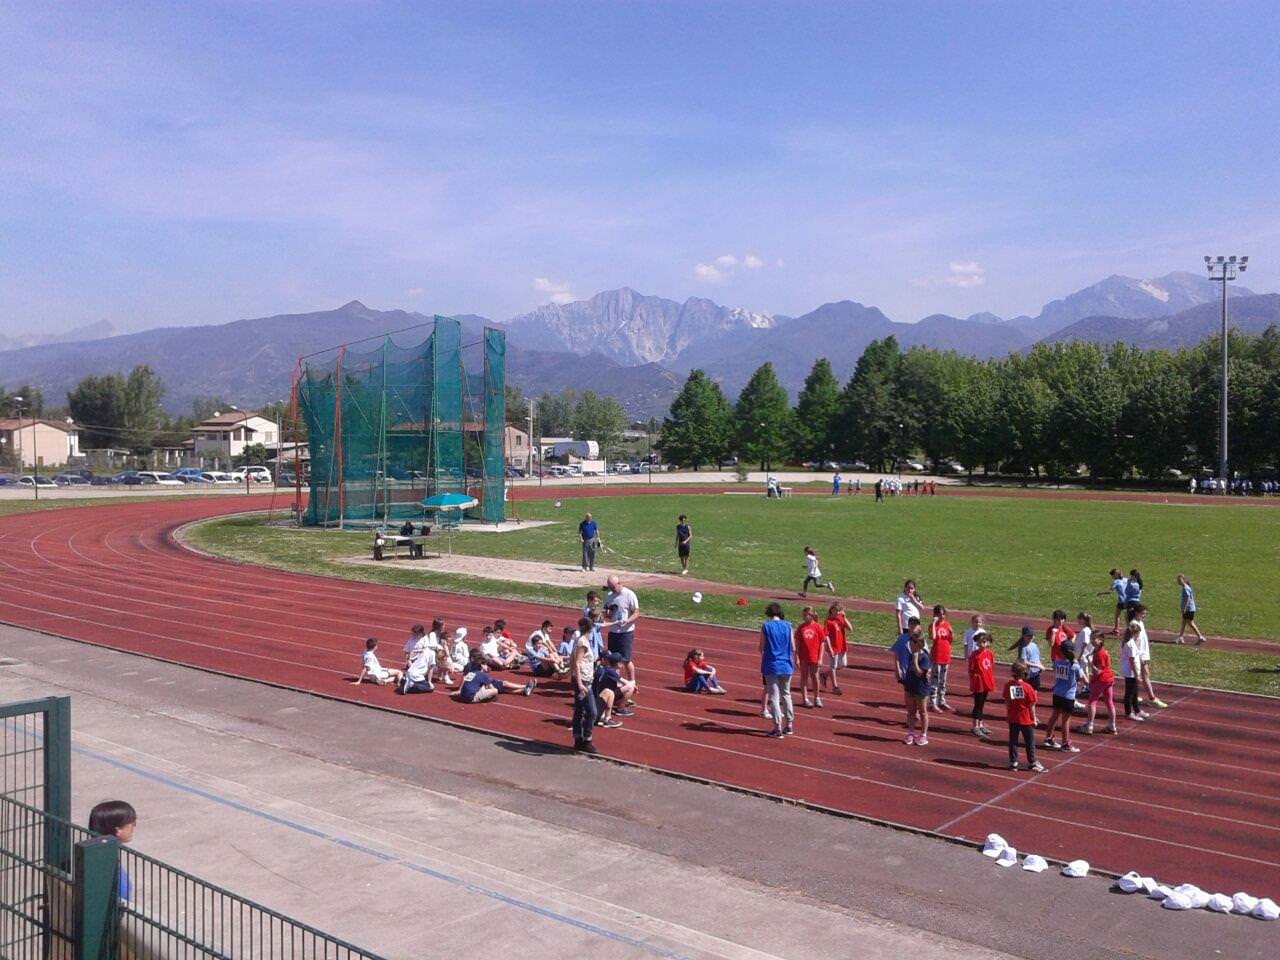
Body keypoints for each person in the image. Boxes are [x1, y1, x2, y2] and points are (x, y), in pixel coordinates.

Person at [88, 800, 137, 900]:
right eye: (131, 823)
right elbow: (124, 898)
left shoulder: (93, 855)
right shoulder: (112, 870)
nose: (134, 826)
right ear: (117, 830)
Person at [760, 602, 795, 738]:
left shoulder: (766, 626)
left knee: (774, 696)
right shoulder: (788, 625)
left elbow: (761, 647)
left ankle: (777, 727)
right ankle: (789, 725)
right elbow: (793, 646)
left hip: (772, 664)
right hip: (786, 664)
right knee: (786, 694)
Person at [1043, 640, 1084, 752]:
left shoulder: (1057, 662)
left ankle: (1048, 738)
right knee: (1066, 720)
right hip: (1068, 695)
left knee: (1054, 716)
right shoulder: (1075, 665)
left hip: (1057, 693)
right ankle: (1066, 743)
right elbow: (1080, 678)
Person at [1003, 662, 1045, 773]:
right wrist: (1034, 718)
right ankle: (1032, 762)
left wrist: (1008, 714)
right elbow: (1031, 706)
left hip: (1013, 718)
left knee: (1013, 741)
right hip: (1025, 719)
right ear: (1024, 673)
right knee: (1029, 742)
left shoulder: (1008, 685)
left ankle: (1013, 762)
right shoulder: (1028, 688)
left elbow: (1007, 701)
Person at [457, 650, 535, 703]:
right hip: (481, 683)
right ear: (472, 658)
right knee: (503, 685)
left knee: (504, 687)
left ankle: (524, 689)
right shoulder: (469, 667)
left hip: (481, 682)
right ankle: (525, 687)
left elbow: (488, 670)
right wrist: (459, 690)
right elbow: (465, 678)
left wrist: (485, 668)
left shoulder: (479, 665)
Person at [570, 616, 600, 751]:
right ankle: (587, 739)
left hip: (582, 679)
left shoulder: (579, 640)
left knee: (579, 710)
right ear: (591, 628)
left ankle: (578, 739)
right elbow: (577, 662)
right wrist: (580, 683)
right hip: (583, 681)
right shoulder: (582, 642)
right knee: (592, 712)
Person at [1132, 605, 1166, 708]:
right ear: (1136, 613)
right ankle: (1152, 698)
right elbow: (1134, 642)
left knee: (1139, 676)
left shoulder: (1140, 623)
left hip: (1143, 655)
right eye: (1143, 613)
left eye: (1145, 614)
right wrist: (1139, 657)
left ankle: (1134, 695)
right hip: (1139, 655)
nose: (1144, 616)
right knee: (1143, 675)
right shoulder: (1134, 624)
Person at [1082, 632, 1117, 735]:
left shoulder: (1100, 653)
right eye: (1091, 638)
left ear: (1101, 640)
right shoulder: (1098, 650)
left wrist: (1089, 662)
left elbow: (1098, 671)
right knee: (1109, 701)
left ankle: (1089, 725)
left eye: (1095, 639)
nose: (1092, 641)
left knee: (1092, 701)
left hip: (1101, 679)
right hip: (1108, 679)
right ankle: (1112, 725)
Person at [795, 605, 829, 708]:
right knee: (804, 677)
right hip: (803, 657)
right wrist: (796, 657)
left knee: (815, 677)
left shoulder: (818, 627)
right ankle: (805, 699)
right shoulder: (801, 627)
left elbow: (822, 643)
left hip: (814, 656)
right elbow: (797, 644)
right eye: (804, 615)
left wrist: (820, 658)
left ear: (812, 615)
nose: (805, 617)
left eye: (807, 615)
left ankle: (817, 698)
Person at [903, 629, 932, 746]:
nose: (910, 644)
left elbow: (920, 673)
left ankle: (923, 734)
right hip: (910, 686)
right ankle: (910, 732)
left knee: (923, 712)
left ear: (918, 643)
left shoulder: (924, 657)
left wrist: (915, 661)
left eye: (912, 642)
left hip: (921, 689)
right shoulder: (911, 655)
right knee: (910, 712)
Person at [593, 651, 636, 726]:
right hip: (599, 701)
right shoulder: (610, 671)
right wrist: (634, 685)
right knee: (612, 692)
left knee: (610, 691)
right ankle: (609, 716)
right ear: (618, 663)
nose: (623, 663)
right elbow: (626, 683)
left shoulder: (605, 669)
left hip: (598, 698)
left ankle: (606, 717)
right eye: (621, 662)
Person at [968, 630, 995, 738]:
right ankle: (975, 726)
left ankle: (980, 723)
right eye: (980, 642)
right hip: (978, 683)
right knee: (977, 705)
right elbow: (971, 670)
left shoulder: (989, 653)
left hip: (986, 681)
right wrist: (974, 681)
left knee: (982, 704)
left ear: (988, 642)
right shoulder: (975, 655)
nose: (982, 644)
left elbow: (990, 666)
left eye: (984, 642)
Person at [820, 601, 851, 695]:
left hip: (841, 645)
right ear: (832, 610)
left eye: (839, 611)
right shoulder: (828, 621)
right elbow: (826, 636)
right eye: (836, 611)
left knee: (843, 664)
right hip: (833, 646)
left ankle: (824, 675)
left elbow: (850, 628)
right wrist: (830, 647)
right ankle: (835, 687)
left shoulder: (840, 619)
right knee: (833, 666)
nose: (838, 613)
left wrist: (844, 617)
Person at [1119, 622, 1147, 720]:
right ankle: (1128, 712)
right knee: (1130, 693)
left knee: (1135, 692)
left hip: (1131, 671)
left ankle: (1137, 710)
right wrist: (1136, 675)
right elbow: (1132, 661)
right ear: (1135, 633)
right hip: (1130, 672)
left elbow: (1136, 655)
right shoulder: (1130, 644)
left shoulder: (1130, 642)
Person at [929, 604, 954, 711]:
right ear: (935, 615)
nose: (942, 616)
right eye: (939, 614)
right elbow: (933, 637)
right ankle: (932, 702)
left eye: (943, 614)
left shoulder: (947, 625)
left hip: (946, 655)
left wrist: (952, 633)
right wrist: (934, 623)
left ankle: (941, 700)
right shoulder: (932, 626)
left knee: (943, 681)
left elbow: (950, 640)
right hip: (936, 656)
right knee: (935, 680)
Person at [1009, 626, 1043, 691]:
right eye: (1028, 636)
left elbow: (1037, 657)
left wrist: (1039, 666)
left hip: (1035, 673)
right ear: (1023, 636)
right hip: (1026, 674)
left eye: (1031, 635)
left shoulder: (1034, 645)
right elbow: (1024, 662)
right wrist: (1038, 665)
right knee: (1025, 690)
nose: (1030, 637)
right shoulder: (1023, 648)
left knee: (1034, 690)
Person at [1176, 573, 1207, 644]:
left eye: (1180, 580)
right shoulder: (1186, 587)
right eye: (1178, 580)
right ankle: (1180, 637)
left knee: (1190, 623)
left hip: (1188, 609)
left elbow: (1187, 599)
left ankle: (1200, 637)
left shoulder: (1185, 588)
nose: (1178, 581)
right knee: (1184, 623)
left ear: (1183, 580)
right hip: (1190, 608)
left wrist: (1184, 608)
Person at [1099, 568, 1127, 636]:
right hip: (1129, 600)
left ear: (1115, 575)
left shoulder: (1116, 582)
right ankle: (1131, 630)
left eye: (1112, 575)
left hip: (1121, 600)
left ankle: (1116, 630)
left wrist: (1101, 593)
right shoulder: (1126, 580)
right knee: (1128, 616)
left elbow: (1110, 591)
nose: (1112, 577)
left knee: (1117, 616)